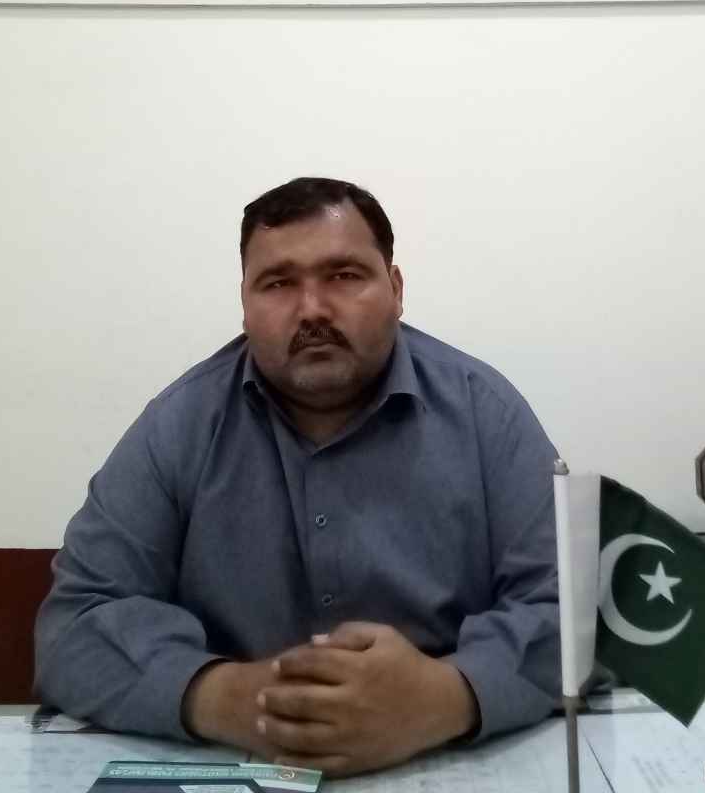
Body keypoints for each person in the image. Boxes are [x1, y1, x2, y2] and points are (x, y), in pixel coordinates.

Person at [34, 178, 560, 777]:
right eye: (279, 283)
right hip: (241, 765)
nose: (312, 309)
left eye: (343, 275)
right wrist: (226, 697)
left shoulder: (486, 413)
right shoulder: (179, 424)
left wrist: (448, 697)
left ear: (395, 289)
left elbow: (569, 606)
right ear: (245, 302)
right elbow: (71, 625)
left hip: (447, 764)